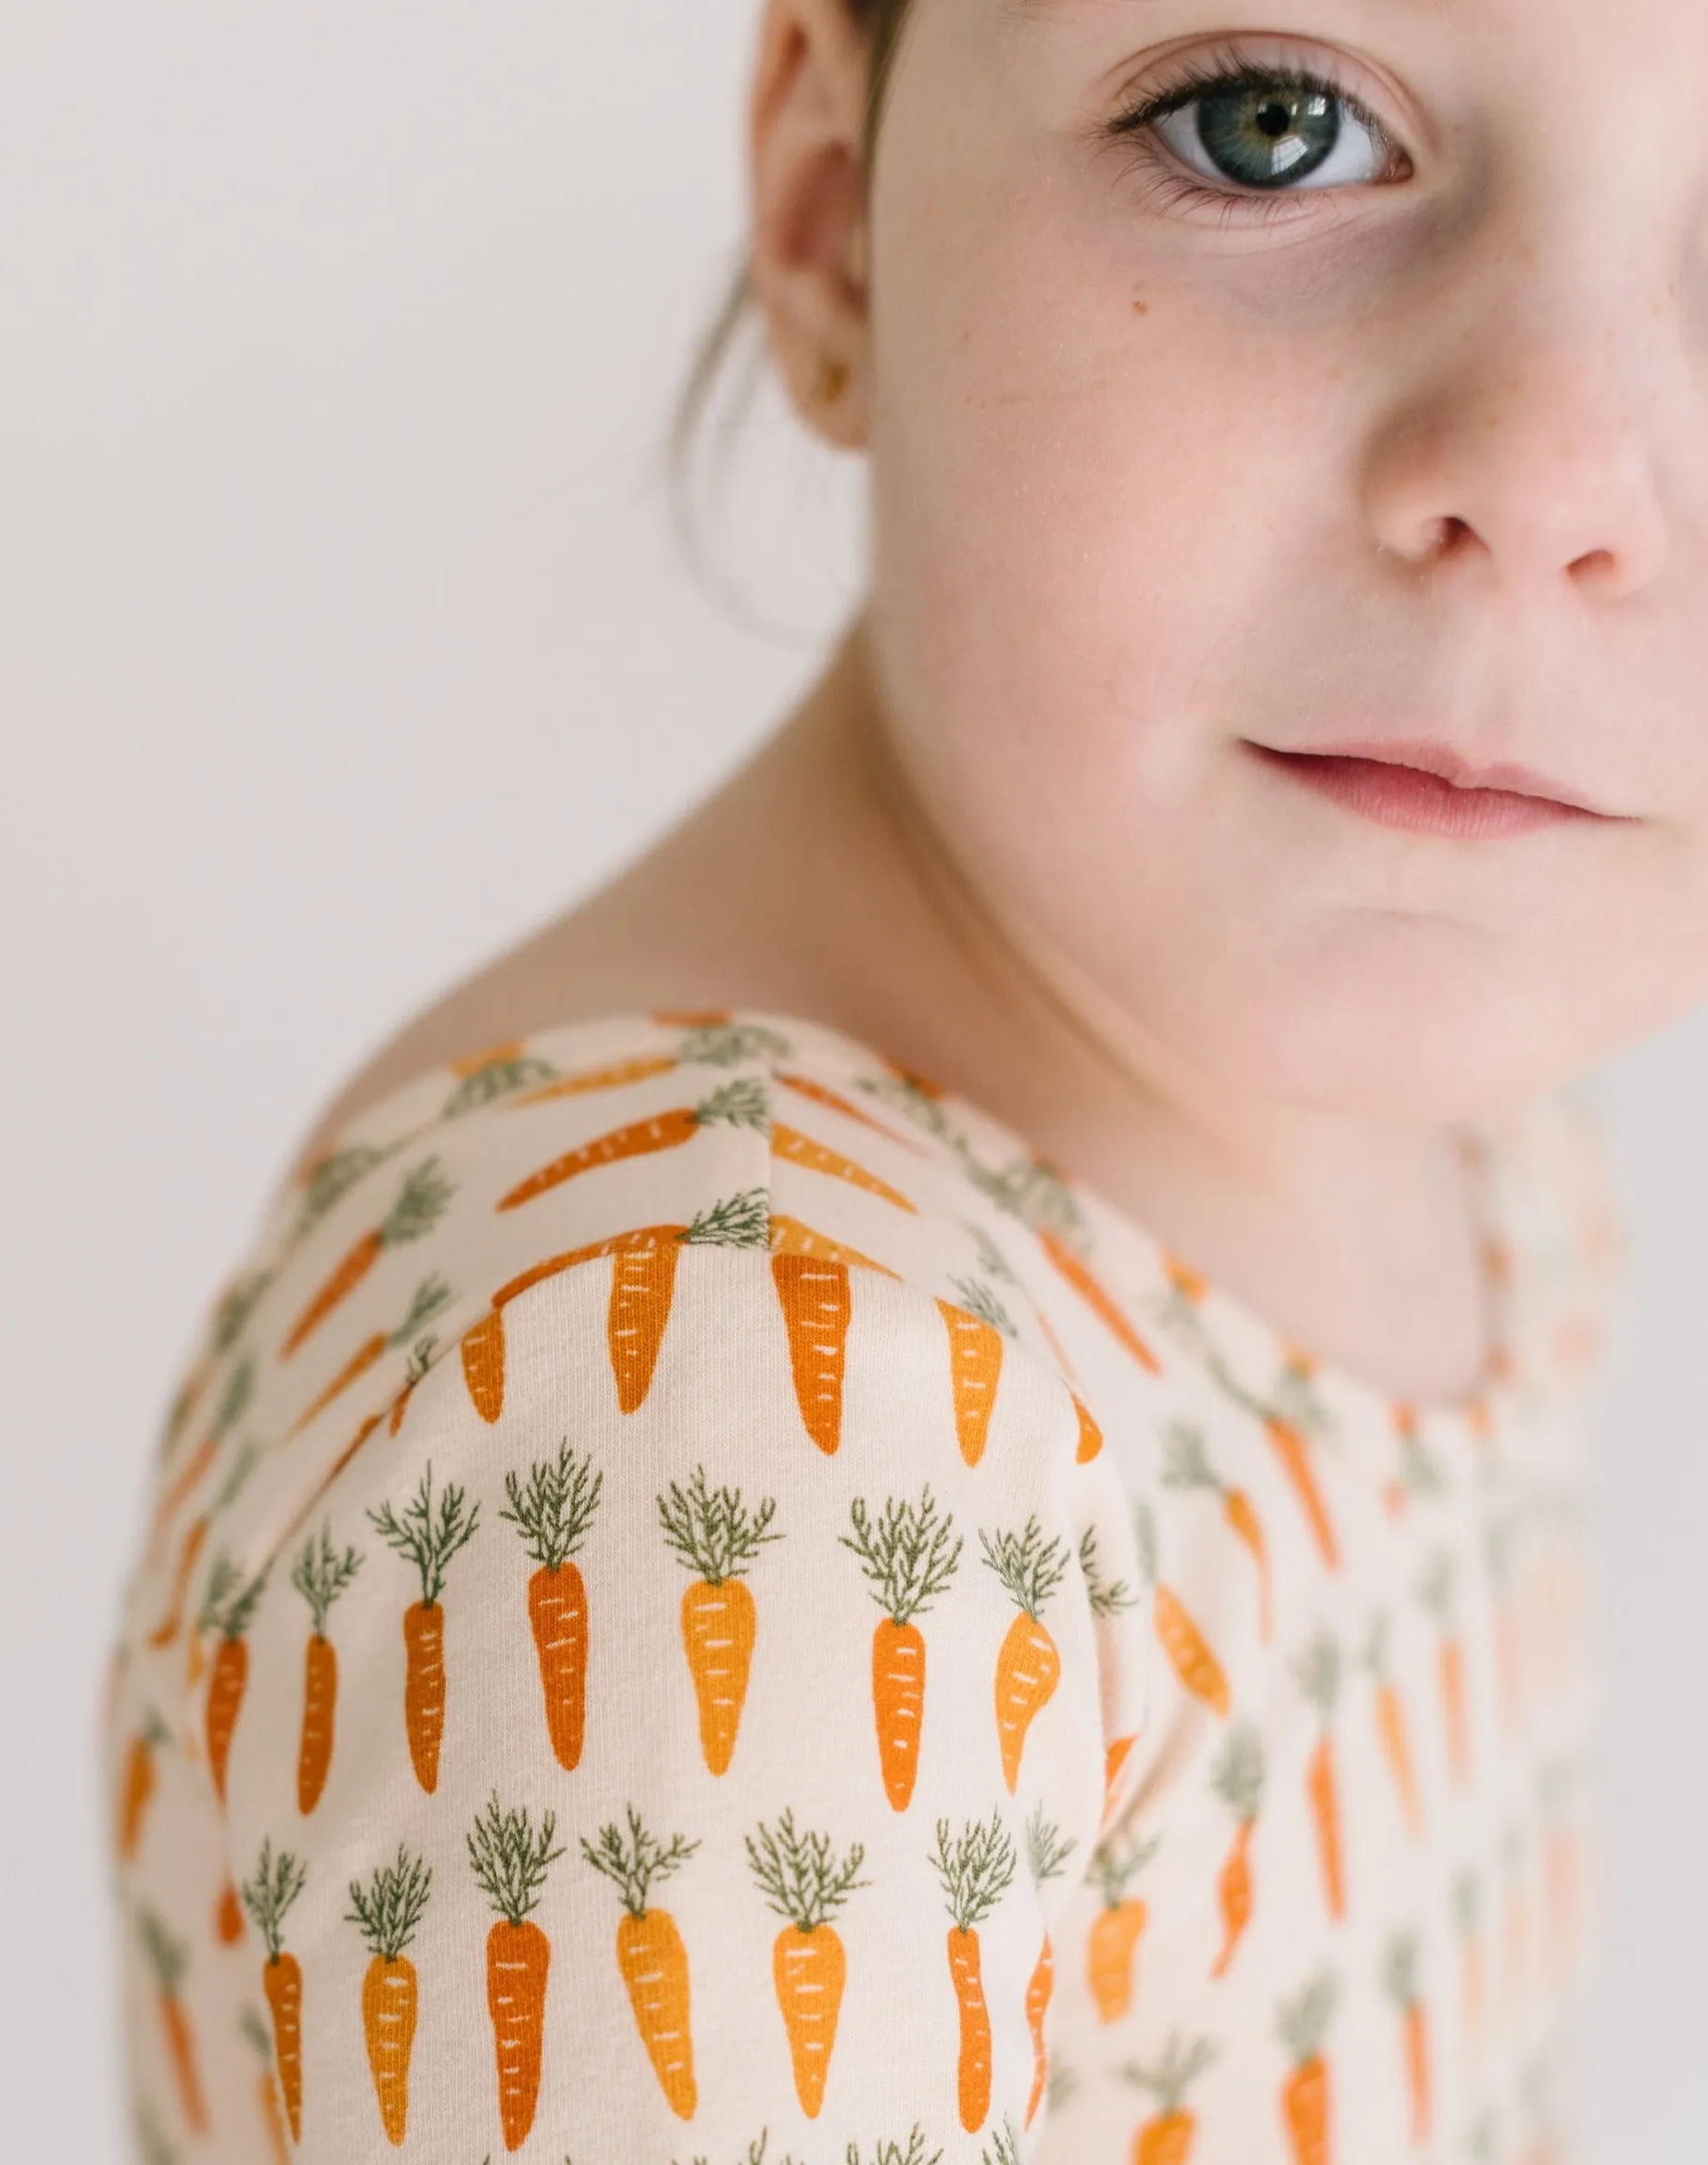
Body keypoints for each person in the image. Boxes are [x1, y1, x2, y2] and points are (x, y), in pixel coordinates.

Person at [103, 0, 1700, 2156]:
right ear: (836, 222)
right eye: (1276, 124)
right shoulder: (740, 1409)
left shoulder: (1462, 1127)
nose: (1552, 478)